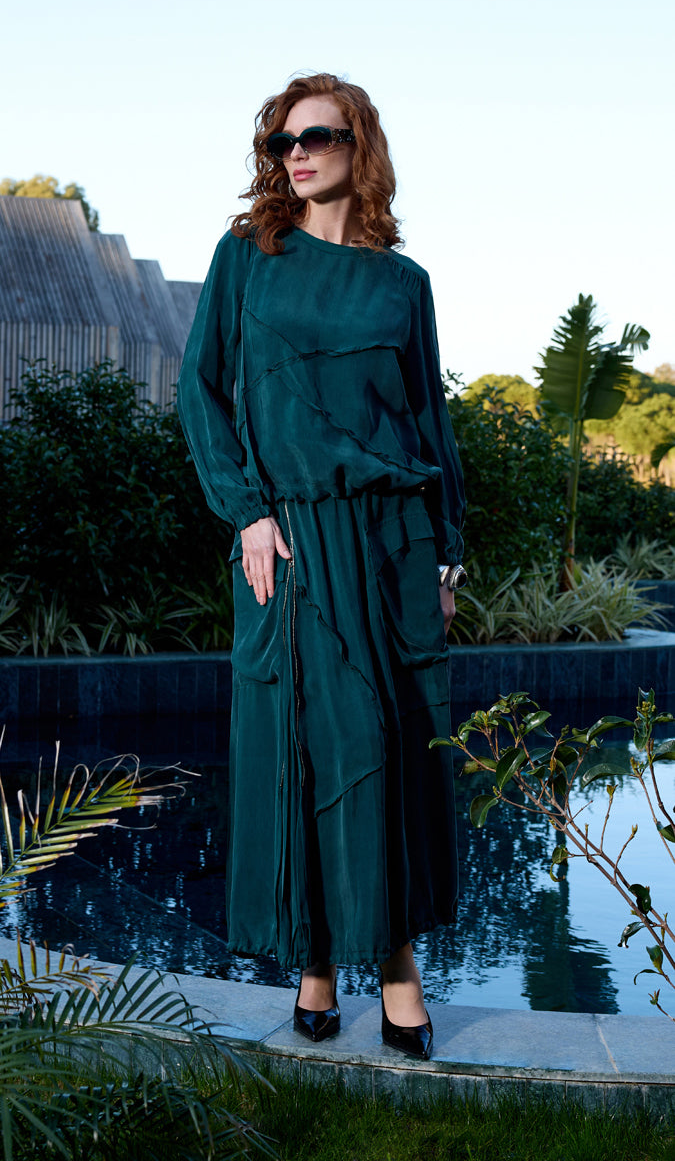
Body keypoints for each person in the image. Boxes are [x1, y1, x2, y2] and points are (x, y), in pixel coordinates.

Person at [177, 73, 466, 1061]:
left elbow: (428, 422)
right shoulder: (247, 257)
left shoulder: (402, 284)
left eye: (316, 137)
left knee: (387, 751)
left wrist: (447, 554)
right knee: (303, 745)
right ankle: (311, 965)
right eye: (280, 142)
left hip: (391, 543)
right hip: (289, 541)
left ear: (359, 146)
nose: (295, 155)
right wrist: (247, 511)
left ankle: (395, 969)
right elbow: (202, 392)